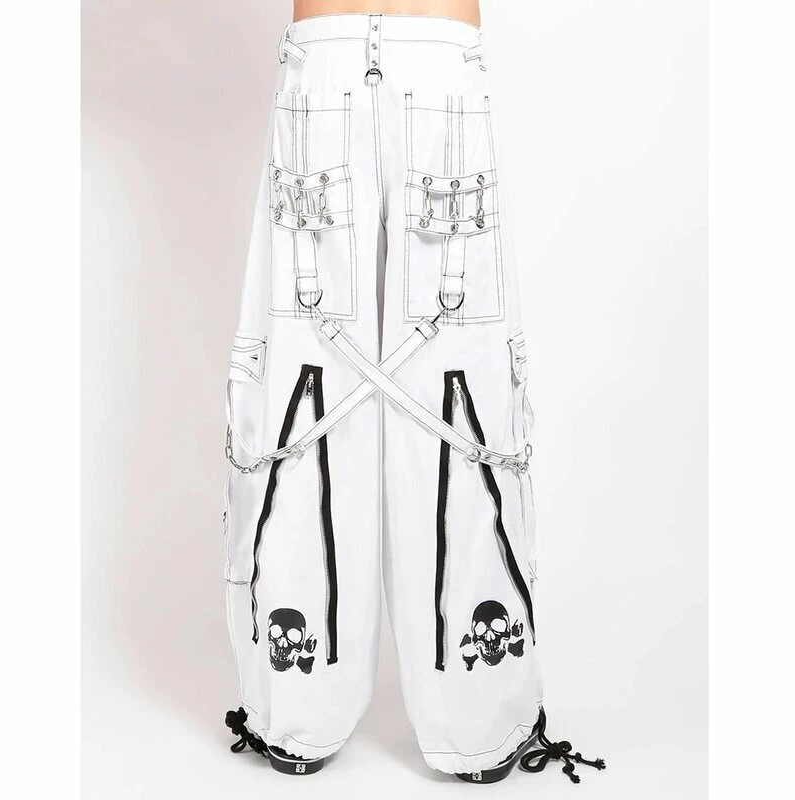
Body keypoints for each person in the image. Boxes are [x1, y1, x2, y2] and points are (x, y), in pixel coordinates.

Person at [222, 0, 604, 784]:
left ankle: (302, 712)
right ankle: (473, 718)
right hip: (423, 61)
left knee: (318, 381)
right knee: (437, 388)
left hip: (335, 63)